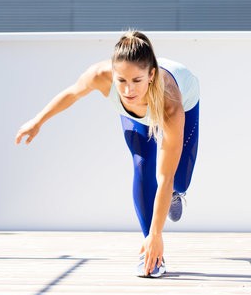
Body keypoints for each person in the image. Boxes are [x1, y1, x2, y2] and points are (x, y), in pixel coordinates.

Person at [15, 30, 200, 278]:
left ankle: (176, 196)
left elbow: (164, 177)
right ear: (113, 74)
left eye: (136, 81)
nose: (128, 90)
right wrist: (38, 121)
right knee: (142, 163)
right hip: (136, 118)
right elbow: (72, 93)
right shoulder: (100, 76)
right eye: (121, 80)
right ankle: (151, 256)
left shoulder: (171, 104)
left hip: (186, 98)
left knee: (176, 180)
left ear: (151, 75)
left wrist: (161, 231)